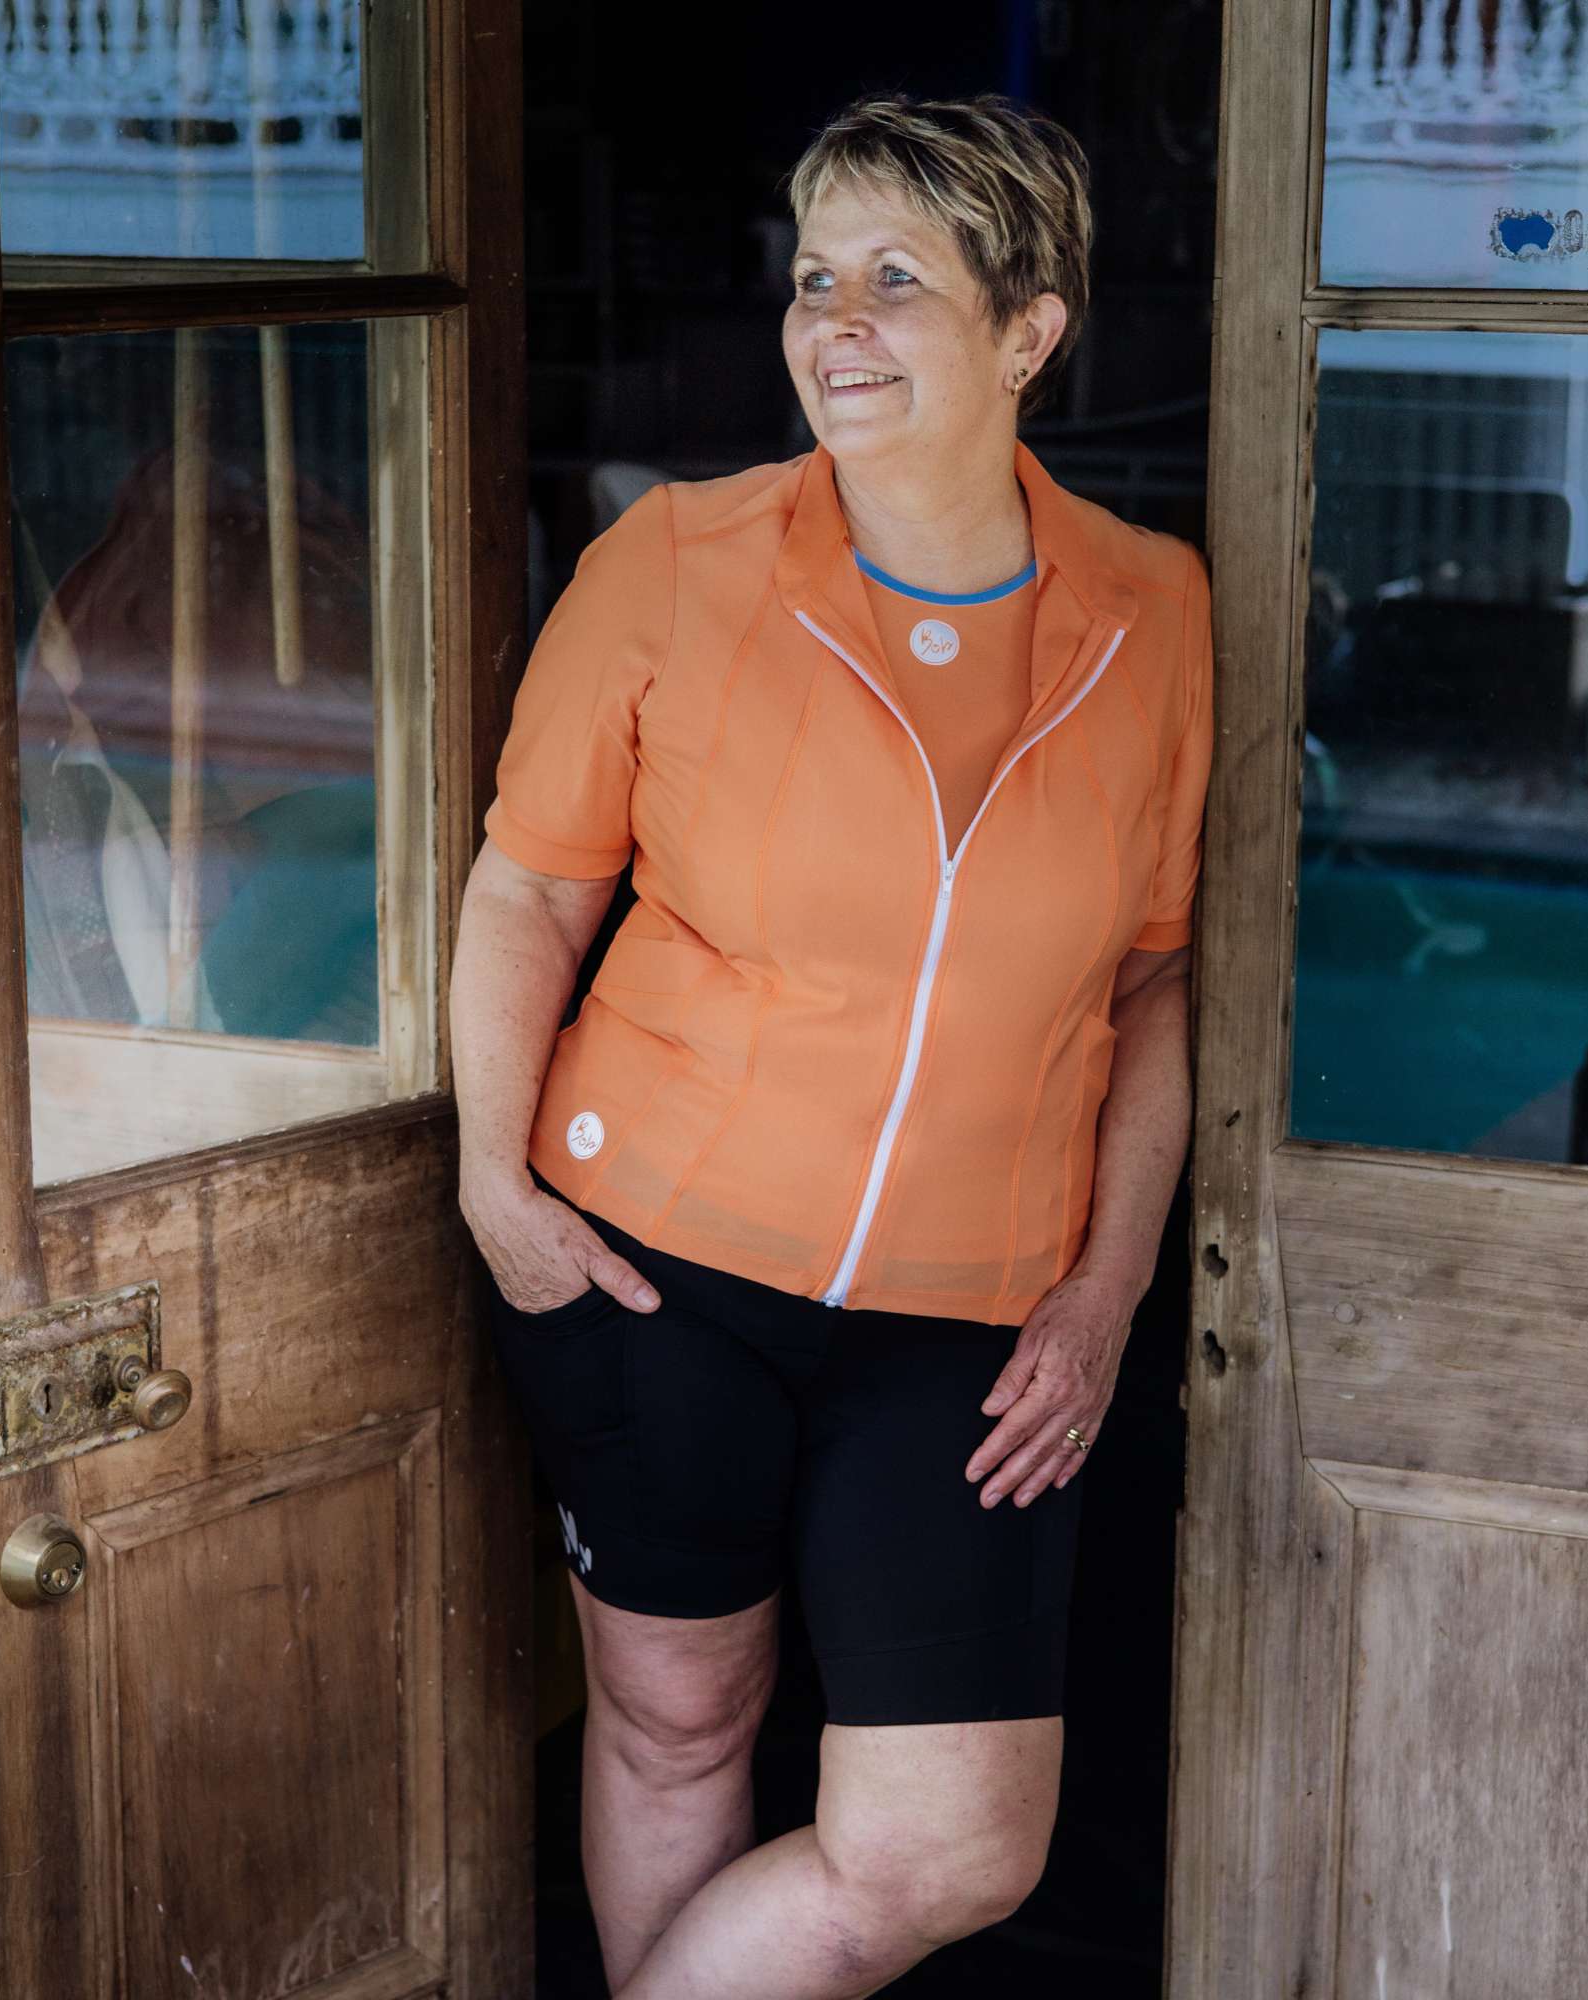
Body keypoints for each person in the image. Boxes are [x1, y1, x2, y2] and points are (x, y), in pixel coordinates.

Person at [451, 90, 1213, 2000]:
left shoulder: (1155, 610)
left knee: (953, 1848)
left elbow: (1151, 980)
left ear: (1031, 330)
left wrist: (1109, 1285)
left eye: (898, 282)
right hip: (653, 1271)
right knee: (678, 1727)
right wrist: (493, 1186)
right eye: (815, 281)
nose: (833, 326)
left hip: (972, 1316)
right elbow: (531, 895)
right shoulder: (677, 563)